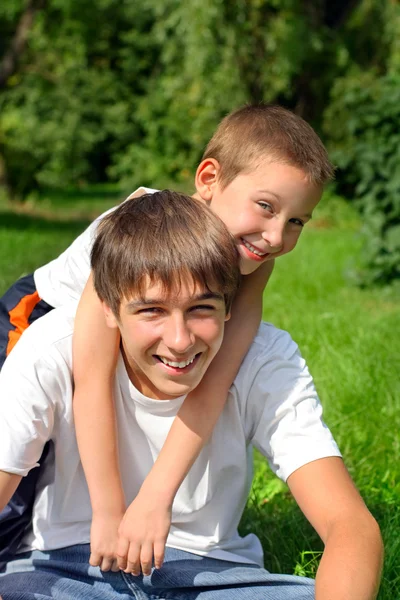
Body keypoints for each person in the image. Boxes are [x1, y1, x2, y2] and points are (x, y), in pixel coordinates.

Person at [0, 191, 383, 600]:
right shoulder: (53, 347)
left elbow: (351, 526)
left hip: (212, 579)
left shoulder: (264, 359)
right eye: (151, 311)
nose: (180, 341)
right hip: (61, 571)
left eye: (201, 308)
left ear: (229, 307)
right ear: (108, 309)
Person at [0, 105, 333, 572]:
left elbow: (213, 383)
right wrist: (110, 511)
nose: (277, 236)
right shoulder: (137, 230)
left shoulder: (256, 263)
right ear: (209, 177)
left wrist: (157, 497)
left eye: (297, 221)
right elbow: (92, 379)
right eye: (266, 206)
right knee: (16, 484)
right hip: (37, 317)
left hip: (145, 328)